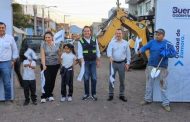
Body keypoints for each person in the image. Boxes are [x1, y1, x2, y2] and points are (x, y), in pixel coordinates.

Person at [139, 28, 176, 112]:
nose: (157, 36)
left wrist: (167, 53)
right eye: (156, 34)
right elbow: (145, 47)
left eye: (159, 34)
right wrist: (141, 50)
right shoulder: (152, 42)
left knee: (163, 85)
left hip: (162, 68)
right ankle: (147, 99)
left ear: (163, 35)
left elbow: (174, 53)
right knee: (149, 84)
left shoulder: (168, 44)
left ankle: (165, 103)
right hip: (151, 67)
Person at [107, 29, 131, 102]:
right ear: (115, 34)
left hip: (122, 64)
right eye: (117, 33)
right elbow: (108, 51)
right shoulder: (112, 43)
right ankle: (111, 94)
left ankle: (122, 95)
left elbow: (128, 54)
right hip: (113, 64)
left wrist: (128, 63)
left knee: (122, 80)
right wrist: (110, 56)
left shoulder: (126, 43)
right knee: (111, 80)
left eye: (119, 33)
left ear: (122, 34)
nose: (118, 35)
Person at [78, 26, 101, 101]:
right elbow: (80, 53)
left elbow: (97, 51)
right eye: (85, 31)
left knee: (94, 78)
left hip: (93, 62)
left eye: (88, 31)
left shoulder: (94, 39)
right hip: (85, 62)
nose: (86, 32)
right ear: (83, 32)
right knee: (86, 78)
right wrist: (82, 63)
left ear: (90, 32)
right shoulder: (80, 41)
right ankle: (87, 94)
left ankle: (93, 94)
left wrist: (98, 61)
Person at [0, 22, 19, 102]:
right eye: (0, 28)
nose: (1, 29)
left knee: (7, 83)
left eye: (2, 28)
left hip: (6, 63)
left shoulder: (10, 38)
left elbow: (15, 50)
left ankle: (8, 99)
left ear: (5, 28)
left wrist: (13, 60)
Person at [40, 31, 61, 103]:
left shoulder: (57, 44)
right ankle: (44, 95)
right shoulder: (43, 44)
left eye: (49, 37)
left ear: (52, 37)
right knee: (46, 80)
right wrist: (43, 65)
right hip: (46, 65)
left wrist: (61, 64)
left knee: (52, 80)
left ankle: (50, 94)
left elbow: (59, 55)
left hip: (55, 65)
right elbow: (42, 55)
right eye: (46, 37)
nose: (47, 39)